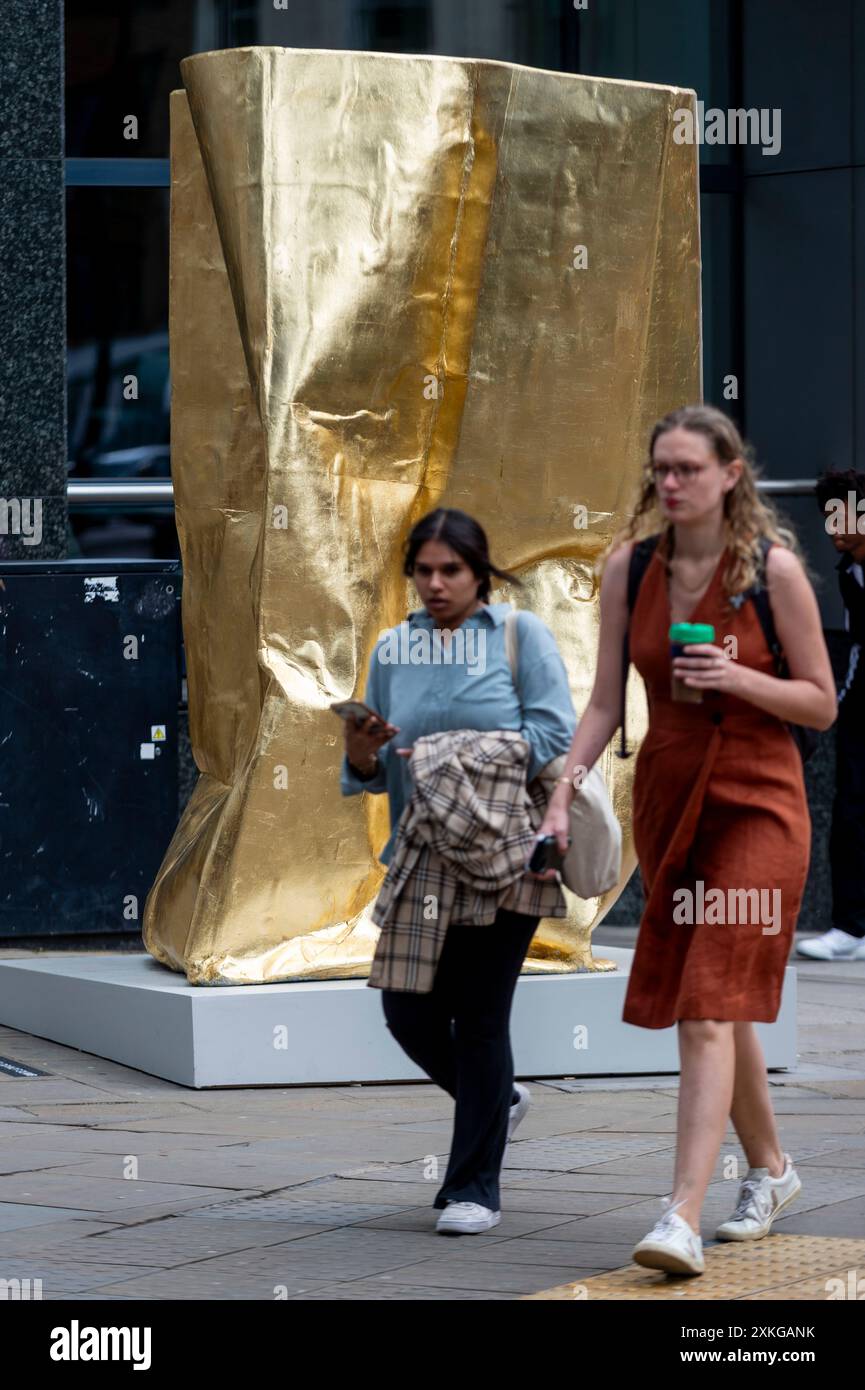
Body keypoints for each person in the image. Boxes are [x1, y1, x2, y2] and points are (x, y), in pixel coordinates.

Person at [538, 403, 836, 1276]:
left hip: (758, 799)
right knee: (720, 994)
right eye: (660, 470)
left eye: (688, 471)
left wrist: (740, 676)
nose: (670, 484)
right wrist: (562, 792)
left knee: (706, 1003)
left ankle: (677, 1216)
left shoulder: (770, 573)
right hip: (669, 794)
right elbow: (601, 702)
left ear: (729, 475)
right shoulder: (627, 569)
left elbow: (820, 701)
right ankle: (773, 1171)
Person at [340, 507, 576, 1234]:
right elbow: (372, 770)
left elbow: (552, 733)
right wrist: (362, 750)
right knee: (404, 1008)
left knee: (479, 1017)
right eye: (424, 571)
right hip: (422, 857)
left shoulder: (517, 635)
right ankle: (497, 1099)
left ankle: (472, 1188)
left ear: (480, 573)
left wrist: (453, 753)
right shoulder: (392, 647)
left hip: (505, 852)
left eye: (451, 571)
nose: (436, 584)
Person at [797, 469, 865, 961]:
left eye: (840, 515)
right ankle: (851, 928)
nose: (833, 528)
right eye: (827, 518)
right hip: (860, 702)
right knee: (851, 809)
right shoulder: (848, 571)